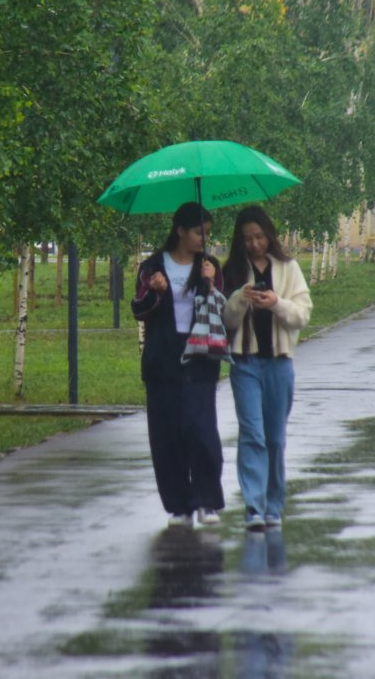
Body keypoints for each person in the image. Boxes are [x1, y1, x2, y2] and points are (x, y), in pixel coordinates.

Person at [131, 201, 226, 527]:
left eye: (207, 233)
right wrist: (155, 292)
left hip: (200, 356)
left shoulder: (209, 266)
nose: (204, 239)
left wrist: (210, 283)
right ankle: (179, 506)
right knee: (166, 433)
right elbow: (138, 310)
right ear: (180, 231)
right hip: (162, 359)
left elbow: (221, 309)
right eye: (199, 232)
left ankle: (206, 500)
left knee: (202, 431)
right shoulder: (152, 267)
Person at [221, 206, 312, 531]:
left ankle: (273, 506)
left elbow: (302, 315)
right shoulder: (232, 270)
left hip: (278, 364)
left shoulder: (288, 268)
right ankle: (254, 508)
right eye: (247, 239)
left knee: (274, 438)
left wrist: (275, 303)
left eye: (259, 237)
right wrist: (240, 298)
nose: (254, 244)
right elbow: (225, 320)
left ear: (269, 235)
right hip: (244, 363)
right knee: (252, 434)